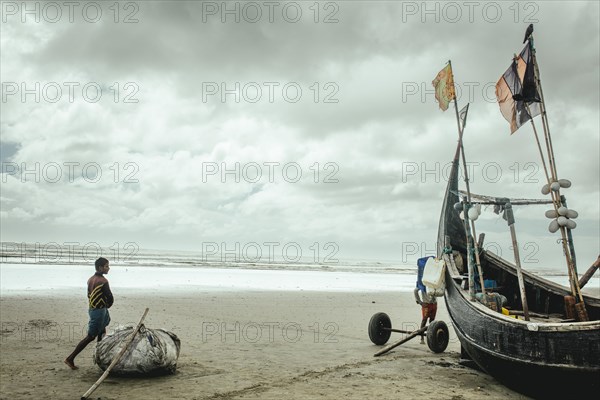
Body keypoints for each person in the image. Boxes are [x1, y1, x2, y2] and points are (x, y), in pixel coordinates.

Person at [64, 257, 114, 370]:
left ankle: (99, 356)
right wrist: (107, 305)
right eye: (107, 266)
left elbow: (88, 295)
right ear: (100, 267)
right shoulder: (103, 281)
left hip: (93, 309)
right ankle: (70, 358)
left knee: (102, 331)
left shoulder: (90, 279)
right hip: (99, 311)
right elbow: (110, 297)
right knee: (91, 336)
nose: (109, 268)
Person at [414, 256, 437, 344]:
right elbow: (415, 291)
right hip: (426, 304)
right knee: (424, 320)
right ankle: (422, 338)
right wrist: (419, 302)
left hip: (434, 303)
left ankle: (430, 338)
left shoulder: (433, 281)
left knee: (432, 321)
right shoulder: (422, 283)